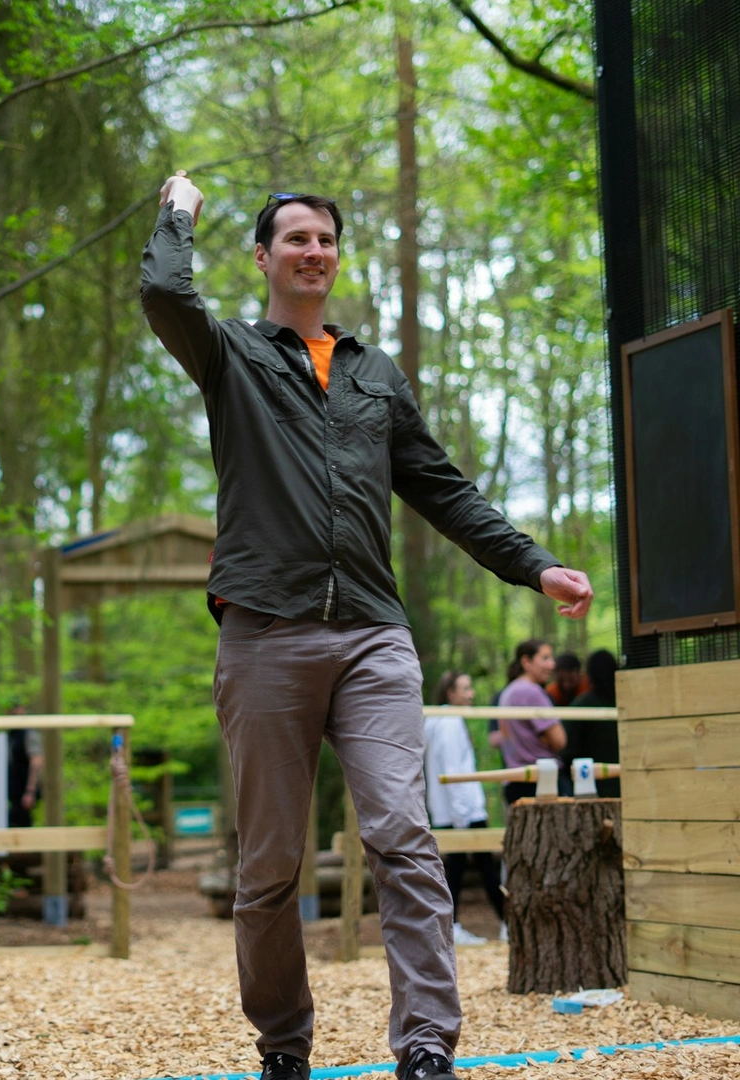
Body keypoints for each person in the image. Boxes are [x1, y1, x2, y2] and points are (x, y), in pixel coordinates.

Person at [140, 176, 593, 1080]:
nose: (314, 252)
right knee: (270, 862)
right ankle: (283, 1044)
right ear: (264, 257)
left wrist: (532, 563)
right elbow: (163, 292)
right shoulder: (230, 355)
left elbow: (443, 488)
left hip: (374, 635)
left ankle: (426, 1046)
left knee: (401, 834)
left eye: (326, 240)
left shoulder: (372, 374)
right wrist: (178, 211)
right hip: (266, 634)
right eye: (296, 239)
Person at [422, 672, 505, 946]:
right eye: (465, 689)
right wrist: (461, 814)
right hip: (462, 811)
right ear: (451, 693)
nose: (471, 694)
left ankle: (459, 924)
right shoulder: (447, 723)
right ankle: (500, 922)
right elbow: (452, 770)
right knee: (476, 869)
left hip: (456, 810)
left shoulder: (441, 720)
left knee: (462, 869)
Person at [496, 640, 567, 804]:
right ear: (526, 662)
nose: (552, 664)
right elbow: (559, 740)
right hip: (543, 781)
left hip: (515, 781)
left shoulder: (508, 692)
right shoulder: (532, 692)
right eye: (545, 658)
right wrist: (545, 737)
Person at [566, 649, 621, 798]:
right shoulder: (629, 702)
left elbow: (567, 751)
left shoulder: (582, 706)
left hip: (591, 791)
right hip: (626, 785)